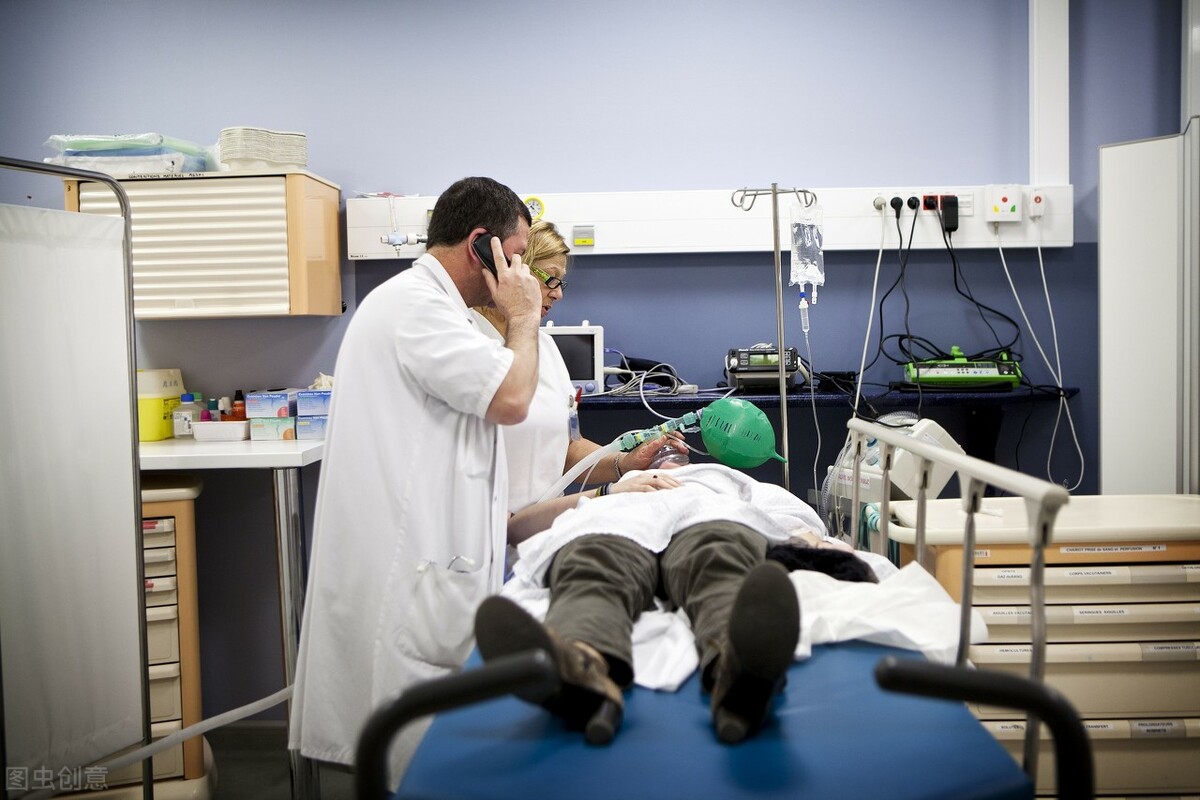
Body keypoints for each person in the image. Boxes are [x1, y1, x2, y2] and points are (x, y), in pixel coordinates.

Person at [289, 177, 543, 779]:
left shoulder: (437, 310)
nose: (524, 273)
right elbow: (511, 397)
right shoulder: (415, 308)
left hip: (434, 566)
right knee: (409, 760)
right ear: (483, 246)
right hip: (411, 577)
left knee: (429, 754)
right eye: (520, 255)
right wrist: (524, 315)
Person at [475, 458, 874, 746]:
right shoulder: (619, 487)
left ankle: (739, 666)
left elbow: (783, 513)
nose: (672, 457)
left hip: (705, 515)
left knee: (718, 560)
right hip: (615, 520)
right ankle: (578, 665)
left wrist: (805, 539)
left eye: (678, 454)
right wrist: (612, 489)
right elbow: (525, 527)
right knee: (595, 565)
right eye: (662, 455)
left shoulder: (719, 477)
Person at [470, 219, 677, 514]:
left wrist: (626, 463)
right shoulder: (469, 341)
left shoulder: (547, 348)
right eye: (549, 278)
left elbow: (566, 449)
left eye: (561, 282)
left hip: (546, 527)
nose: (558, 293)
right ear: (514, 271)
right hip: (487, 530)